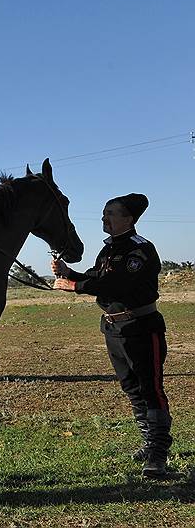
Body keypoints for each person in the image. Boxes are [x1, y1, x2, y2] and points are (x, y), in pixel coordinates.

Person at [52, 193, 172, 478]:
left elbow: (116, 285)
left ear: (129, 219)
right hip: (114, 329)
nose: (104, 218)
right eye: (104, 212)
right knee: (132, 389)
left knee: (150, 389)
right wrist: (70, 273)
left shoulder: (139, 250)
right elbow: (96, 277)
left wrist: (74, 286)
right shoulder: (108, 250)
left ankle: (158, 453)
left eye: (111, 213)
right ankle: (148, 441)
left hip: (141, 328)